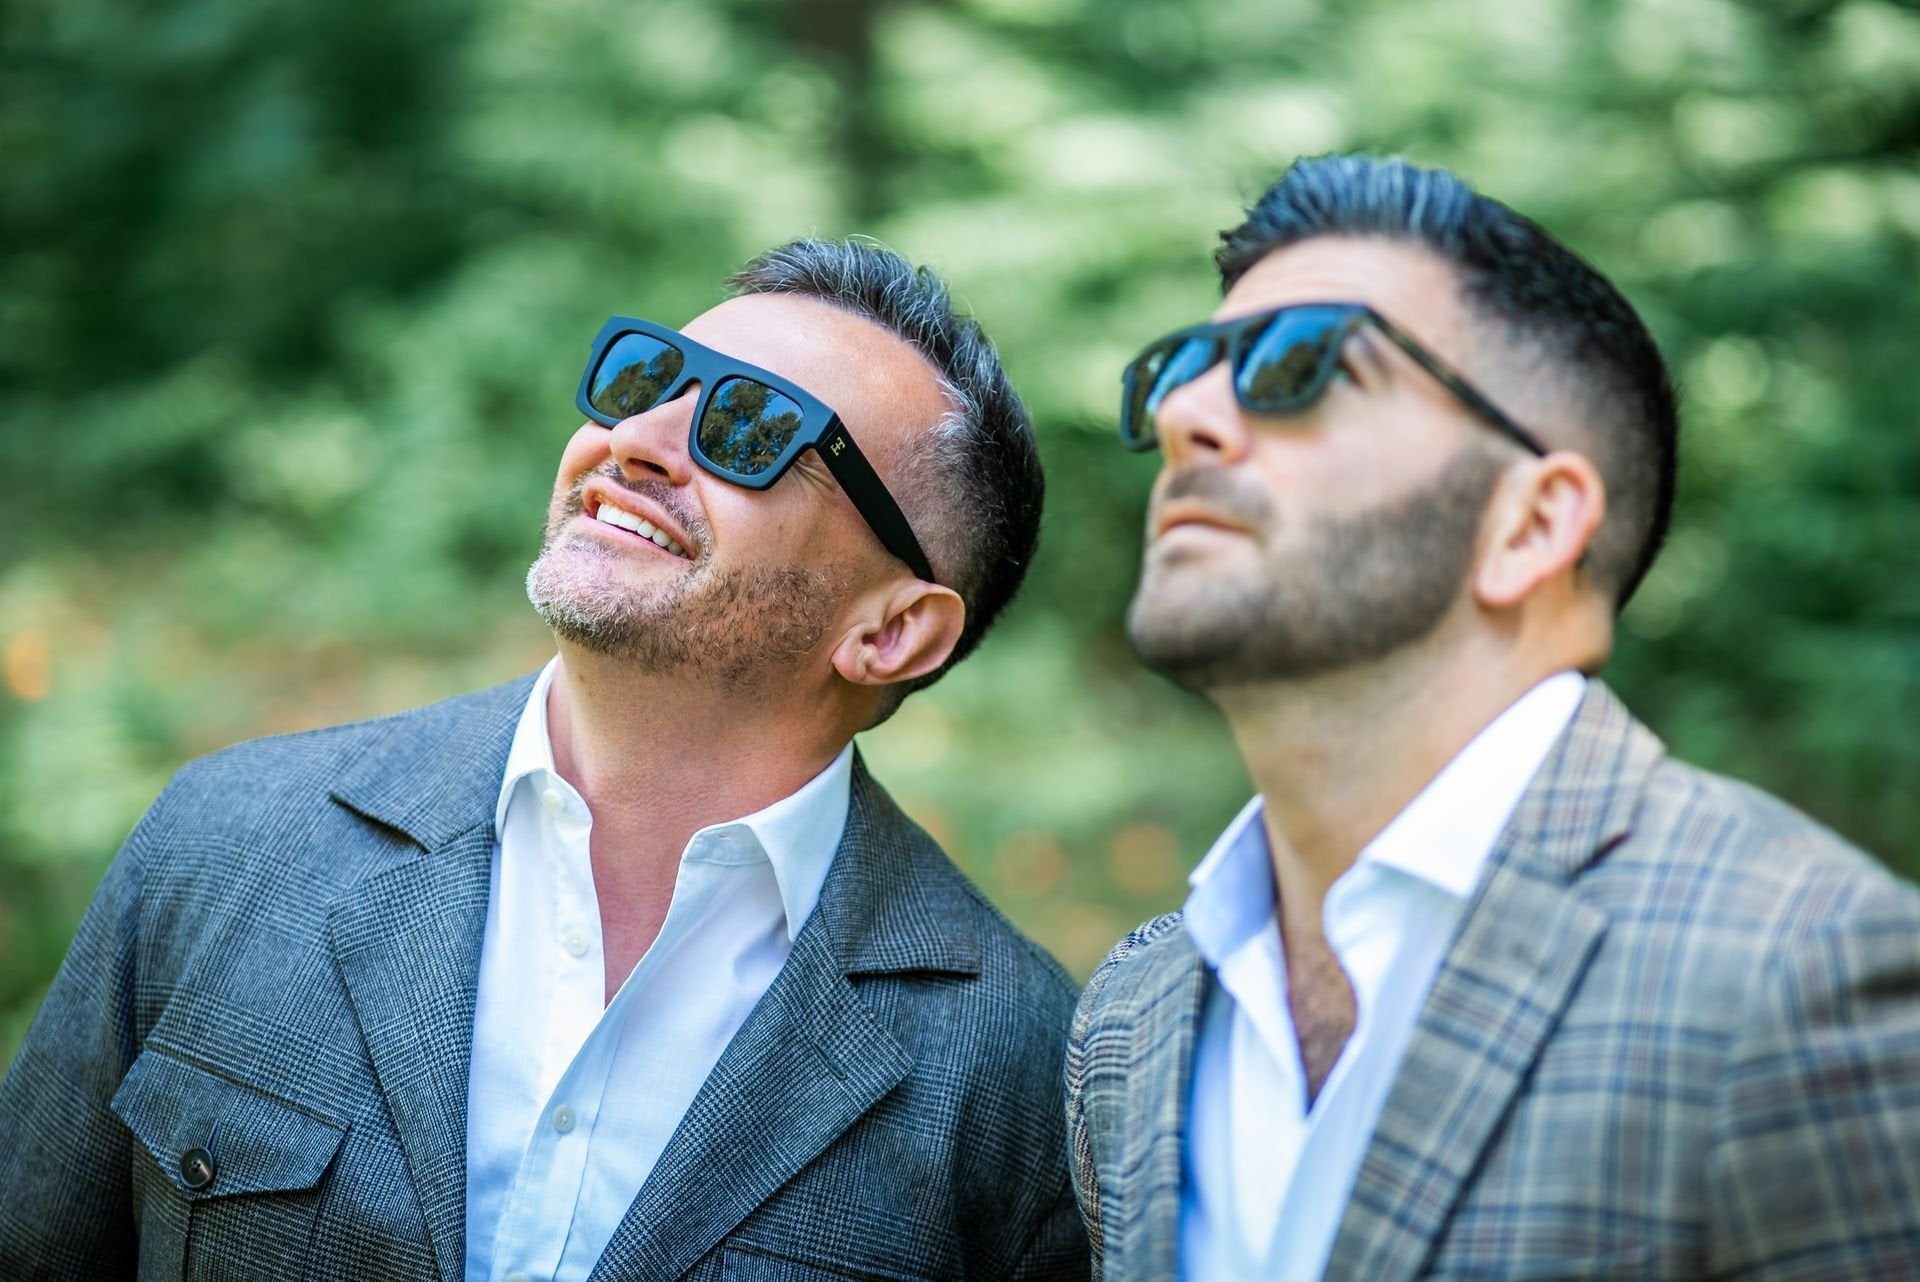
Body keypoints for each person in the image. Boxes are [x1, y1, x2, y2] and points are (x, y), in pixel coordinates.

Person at [0, 239, 1089, 1281]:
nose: (635, 439)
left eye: (750, 427)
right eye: (646, 380)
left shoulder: (1023, 1067)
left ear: (890, 631)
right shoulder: (227, 840)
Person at [1065, 154, 1920, 1281]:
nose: (1186, 416)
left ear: (1531, 525)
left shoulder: (1803, 970)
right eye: (1185, 369)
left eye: (1301, 363)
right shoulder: (1129, 1018)